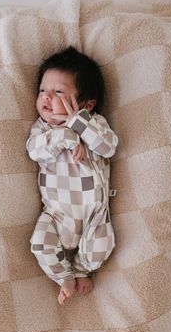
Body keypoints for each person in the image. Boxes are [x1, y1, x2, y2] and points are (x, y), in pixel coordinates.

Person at [26, 46, 118, 305]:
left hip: (94, 215)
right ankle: (64, 276)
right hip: (56, 214)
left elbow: (108, 146)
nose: (46, 98)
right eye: (43, 90)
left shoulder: (94, 123)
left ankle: (81, 269)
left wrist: (78, 123)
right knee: (40, 243)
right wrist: (65, 137)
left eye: (58, 92)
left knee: (102, 245)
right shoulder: (43, 129)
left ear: (87, 104)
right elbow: (34, 151)